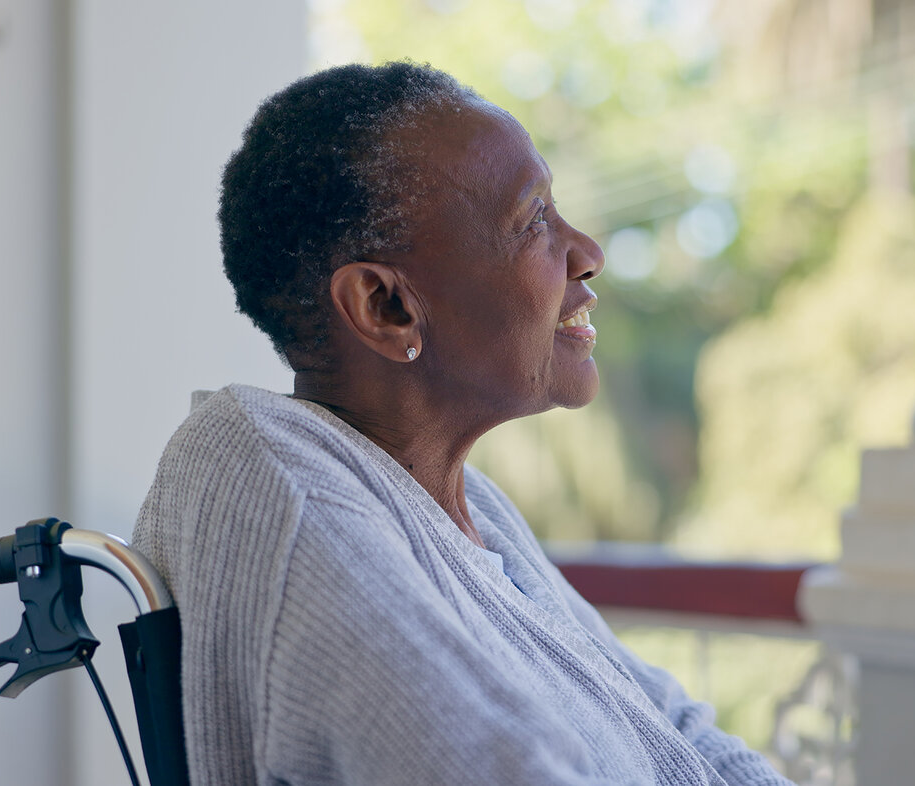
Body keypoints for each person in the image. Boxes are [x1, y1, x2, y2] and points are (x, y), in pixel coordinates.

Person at [133, 61, 794, 786]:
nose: (589, 254)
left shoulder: (473, 510)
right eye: (534, 220)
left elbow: (671, 721)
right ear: (386, 307)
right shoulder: (262, 472)